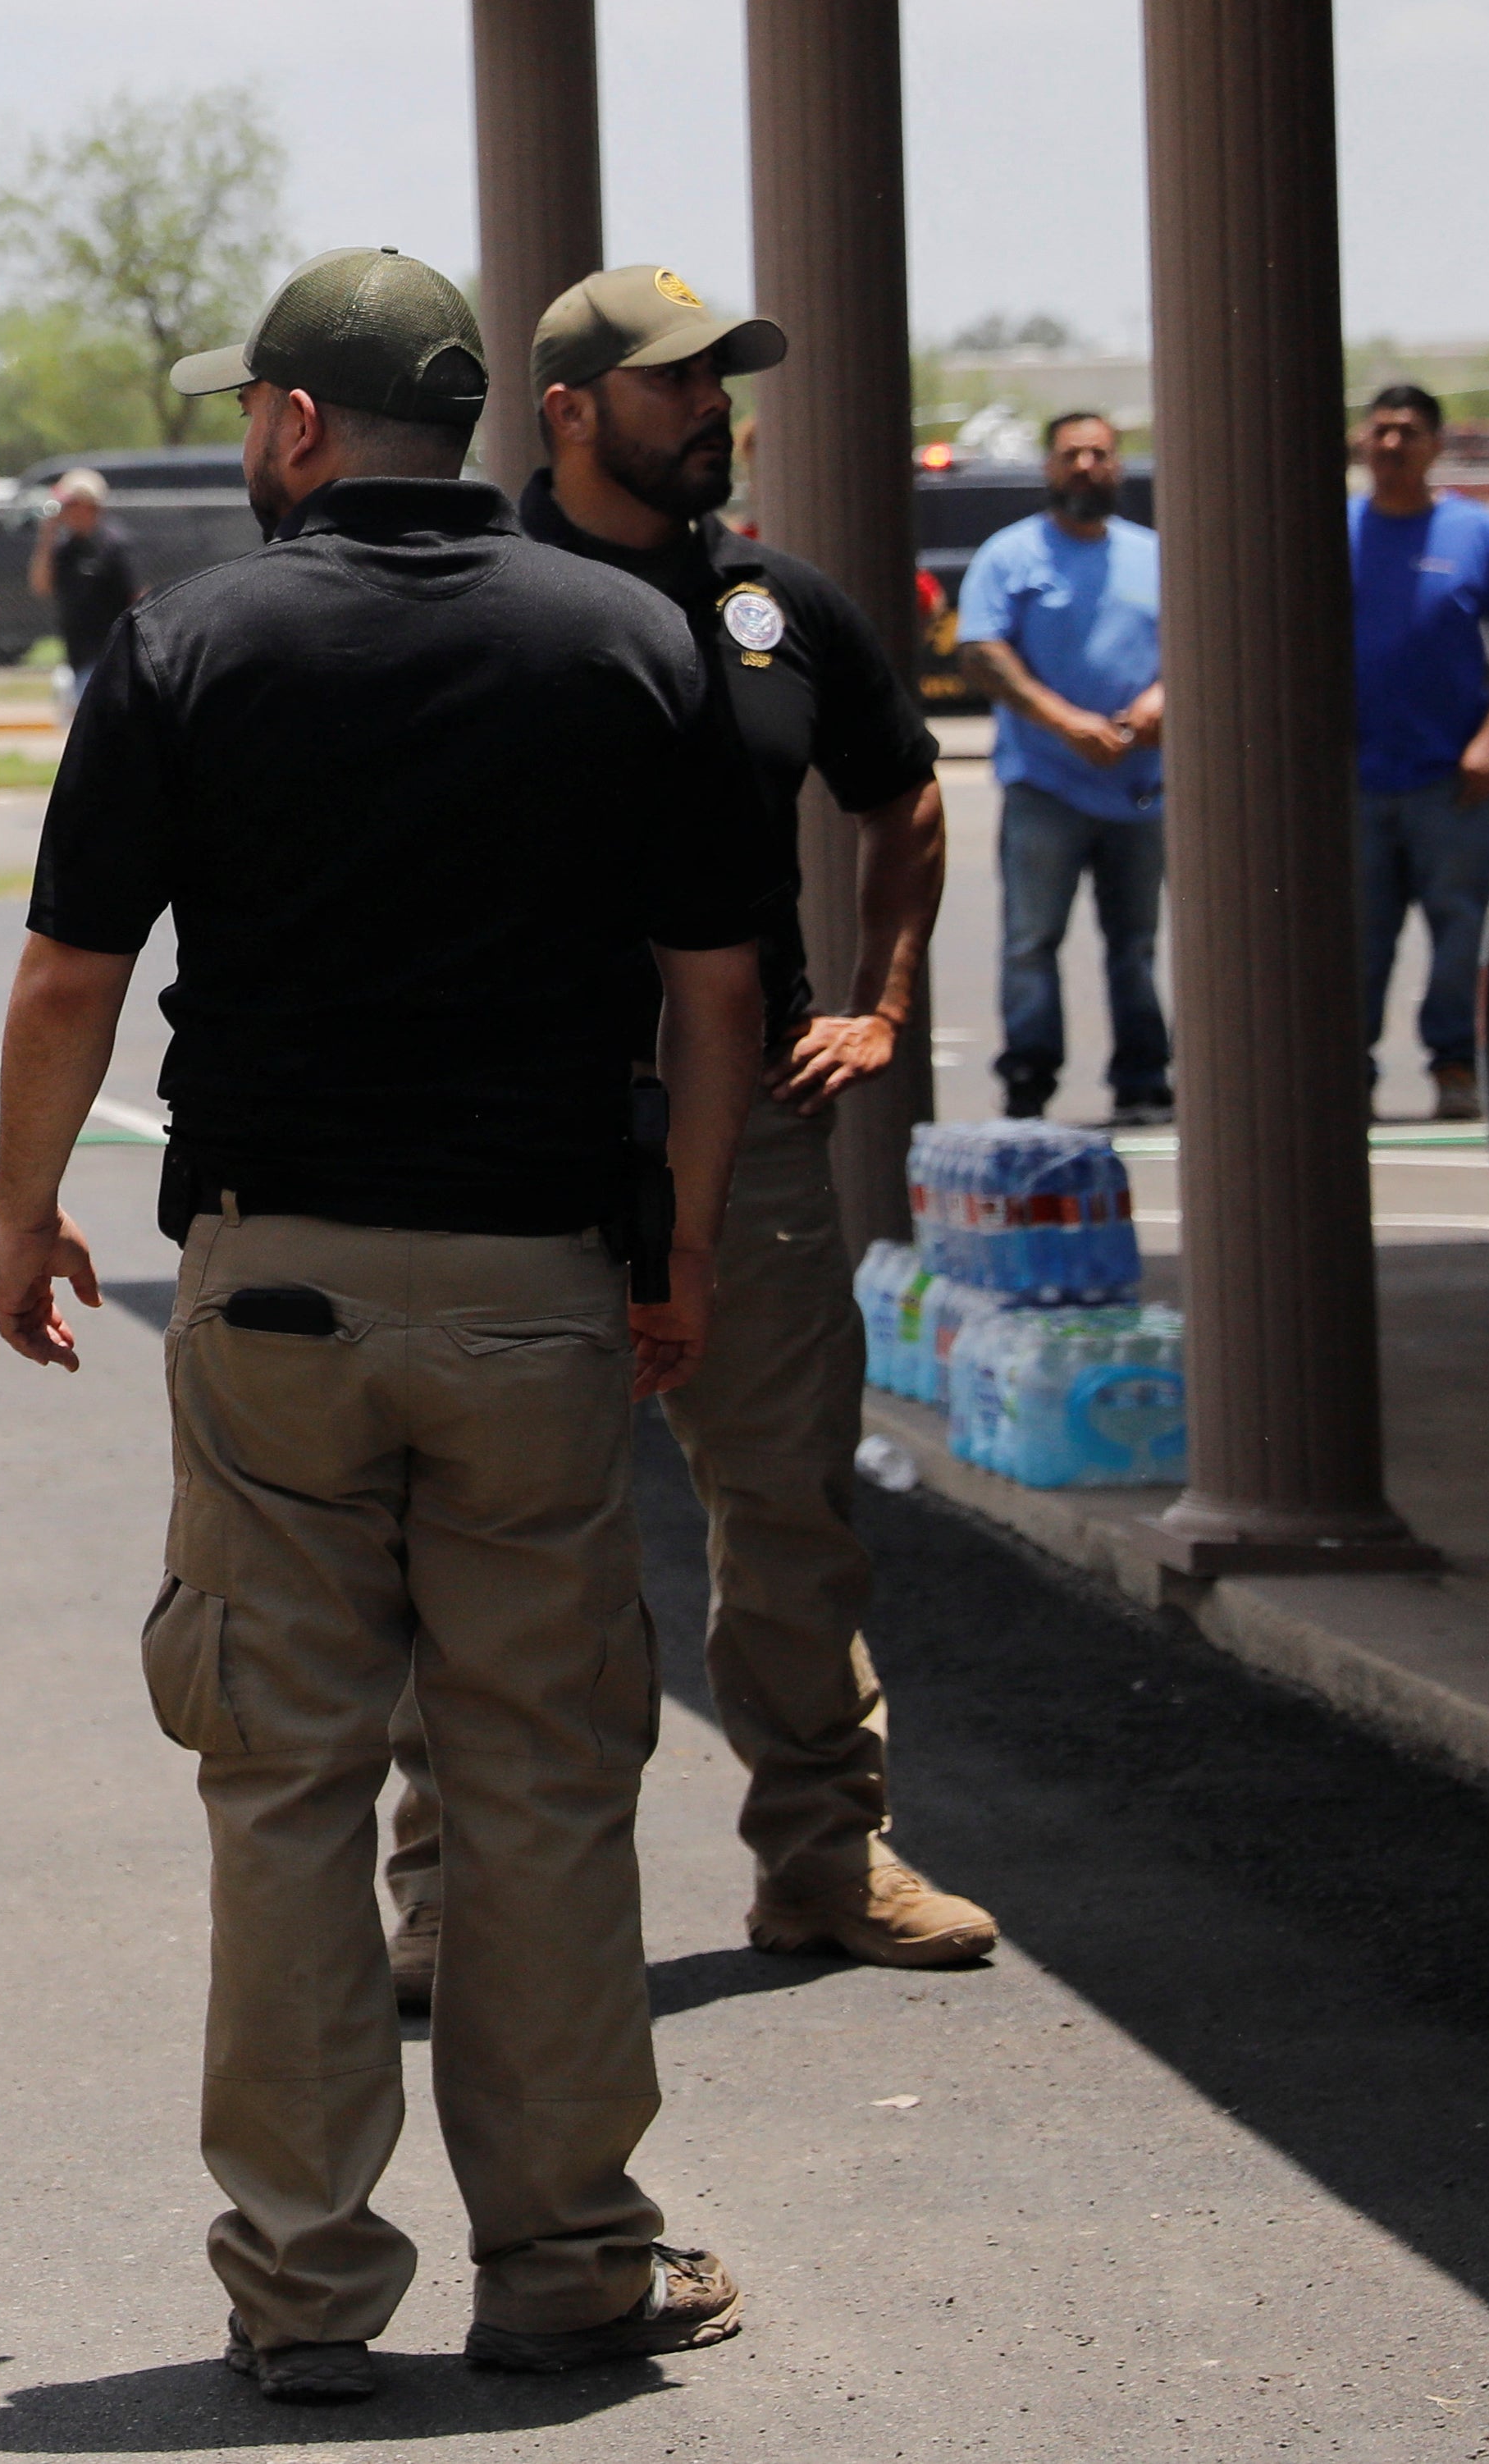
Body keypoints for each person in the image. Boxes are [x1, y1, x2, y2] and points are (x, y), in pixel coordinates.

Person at [0, 246, 767, 2403]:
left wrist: (22, 1206)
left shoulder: (186, 640)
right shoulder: (627, 639)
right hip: (535, 1284)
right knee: (540, 1786)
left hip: (274, 1289)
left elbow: (67, 973)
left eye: (251, 409)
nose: (246, 440)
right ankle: (565, 2266)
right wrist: (682, 1241)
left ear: (303, 426)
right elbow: (715, 986)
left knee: (285, 1785)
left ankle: (305, 2285)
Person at [377, 266, 989, 1995]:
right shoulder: (477, 595)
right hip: (520, 1123)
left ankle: (823, 1854)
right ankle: (440, 1884)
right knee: (489, 1521)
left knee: (787, 1508)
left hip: (756, 1124)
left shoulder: (774, 605)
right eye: (674, 382)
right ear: (565, 408)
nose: (711, 405)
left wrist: (878, 995)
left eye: (719, 378)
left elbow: (902, 785)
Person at [954, 412, 1168, 1125]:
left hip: (1139, 790)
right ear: (1049, 466)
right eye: (1072, 453)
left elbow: (1191, 644)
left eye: (1100, 453)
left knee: (1135, 946)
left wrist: (1156, 704)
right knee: (1031, 943)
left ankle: (1142, 1080)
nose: (1086, 464)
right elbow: (982, 652)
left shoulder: (1154, 555)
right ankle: (1029, 1081)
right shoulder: (1008, 555)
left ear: (1119, 465)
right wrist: (1066, 722)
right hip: (1044, 787)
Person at [1349, 383, 1489, 1122]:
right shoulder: (1328, 530)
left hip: (1452, 782)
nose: (1393, 445)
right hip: (1355, 784)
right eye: (1381, 430)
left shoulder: (1477, 536)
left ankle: (1455, 1066)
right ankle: (1346, 1071)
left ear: (1435, 445)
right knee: (1357, 941)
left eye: (1409, 432)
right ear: (1362, 442)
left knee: (1461, 935)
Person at [30, 468, 137, 715]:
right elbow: (41, 586)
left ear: (88, 506)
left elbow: (134, 596)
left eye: (69, 504)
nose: (64, 512)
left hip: (110, 653)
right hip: (78, 651)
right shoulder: (65, 548)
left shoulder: (113, 544)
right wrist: (46, 538)